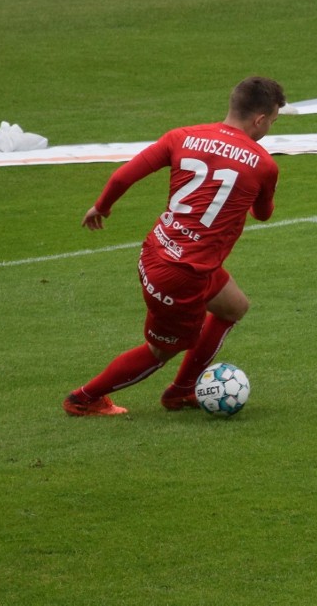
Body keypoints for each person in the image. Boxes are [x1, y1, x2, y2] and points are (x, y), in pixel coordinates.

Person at [63, 76, 286, 416]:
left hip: (159, 249)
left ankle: (182, 391)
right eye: (271, 121)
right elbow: (264, 213)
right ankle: (83, 399)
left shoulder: (182, 136)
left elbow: (124, 175)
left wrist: (102, 206)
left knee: (234, 306)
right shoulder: (263, 164)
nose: (269, 128)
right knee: (161, 351)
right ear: (259, 120)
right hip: (181, 275)